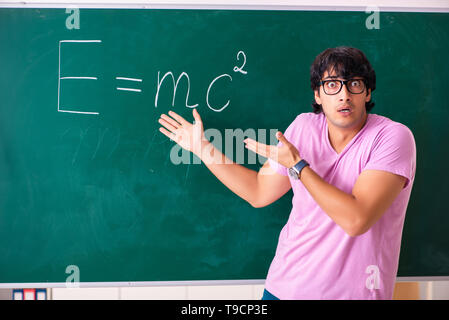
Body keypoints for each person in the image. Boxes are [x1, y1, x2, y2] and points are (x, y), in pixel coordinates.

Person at [157, 46, 416, 300]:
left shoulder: (393, 137)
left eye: (355, 84)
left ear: (367, 92)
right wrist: (202, 148)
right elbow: (259, 192)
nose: (344, 95)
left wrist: (298, 166)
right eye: (332, 85)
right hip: (284, 290)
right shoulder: (303, 127)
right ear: (318, 95)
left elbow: (356, 220)